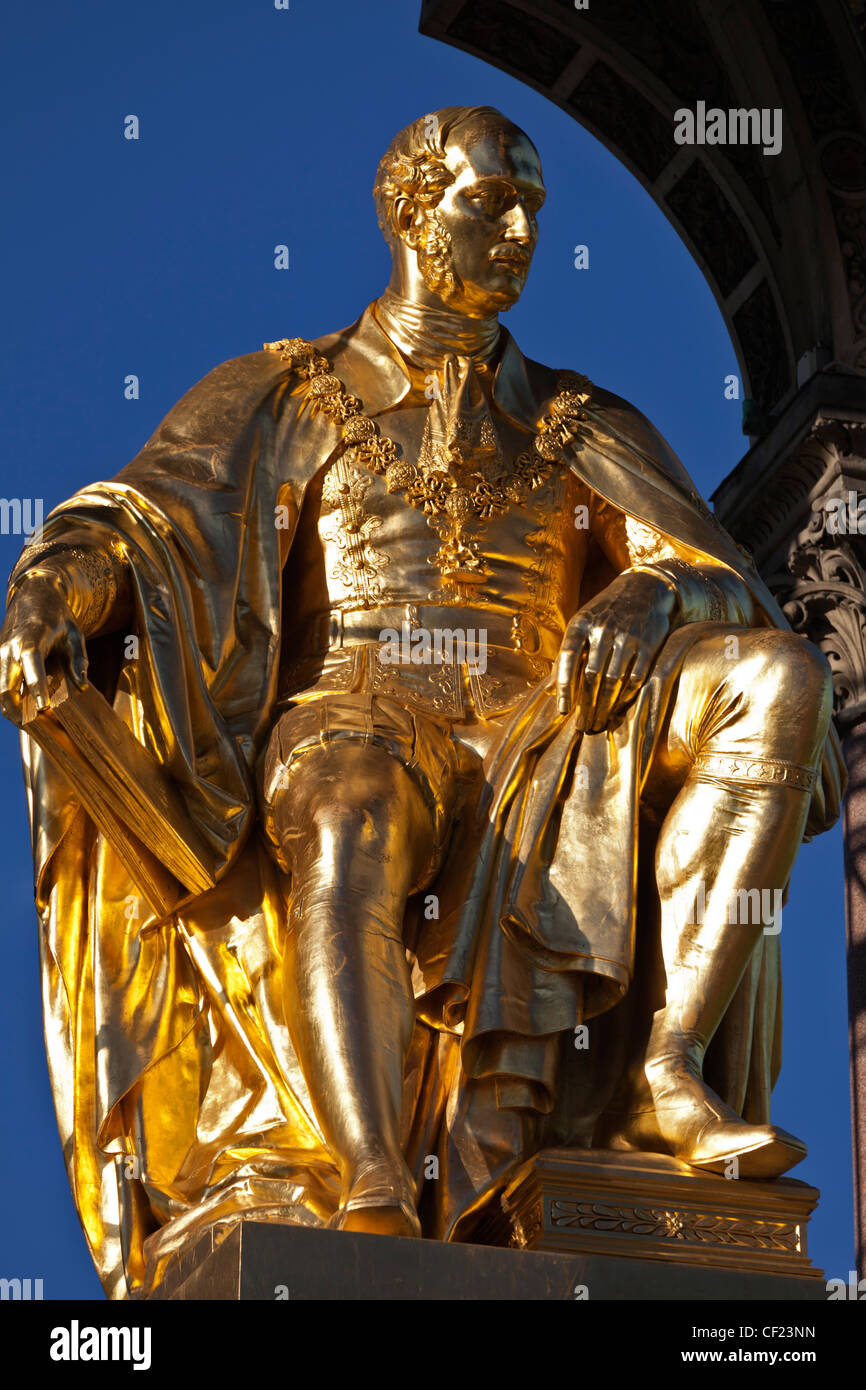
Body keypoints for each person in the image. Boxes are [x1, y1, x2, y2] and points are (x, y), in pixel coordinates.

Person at [0, 105, 844, 1297]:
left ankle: (666, 1064)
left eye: (533, 210)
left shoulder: (578, 418)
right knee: (350, 805)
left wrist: (650, 595)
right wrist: (51, 589)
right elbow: (142, 521)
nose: (517, 230)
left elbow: (718, 575)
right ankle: (369, 1177)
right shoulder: (284, 389)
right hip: (357, 710)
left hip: (544, 733)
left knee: (778, 677)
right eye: (487, 201)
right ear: (407, 208)